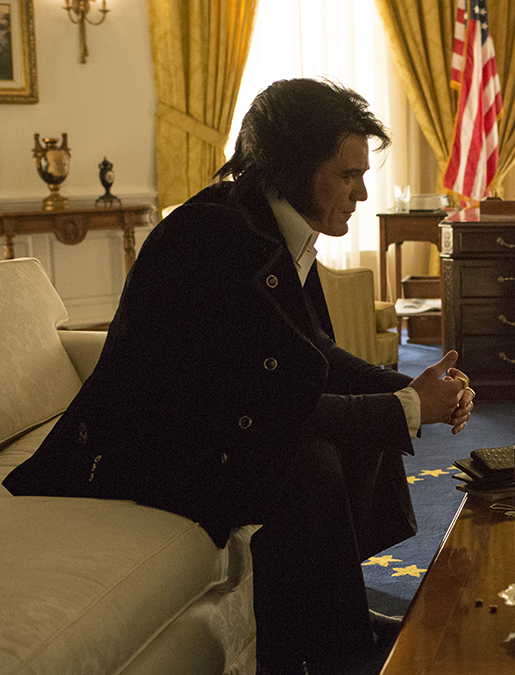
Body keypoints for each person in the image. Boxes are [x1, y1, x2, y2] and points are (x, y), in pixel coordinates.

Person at [3, 78, 475, 675]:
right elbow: (265, 401)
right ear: (295, 168)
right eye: (348, 174)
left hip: (208, 429)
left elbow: (313, 354)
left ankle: (331, 618)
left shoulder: (270, 223)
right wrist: (407, 407)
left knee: (351, 431)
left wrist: (404, 388)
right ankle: (329, 648)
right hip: (134, 452)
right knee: (309, 461)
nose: (361, 192)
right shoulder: (210, 238)